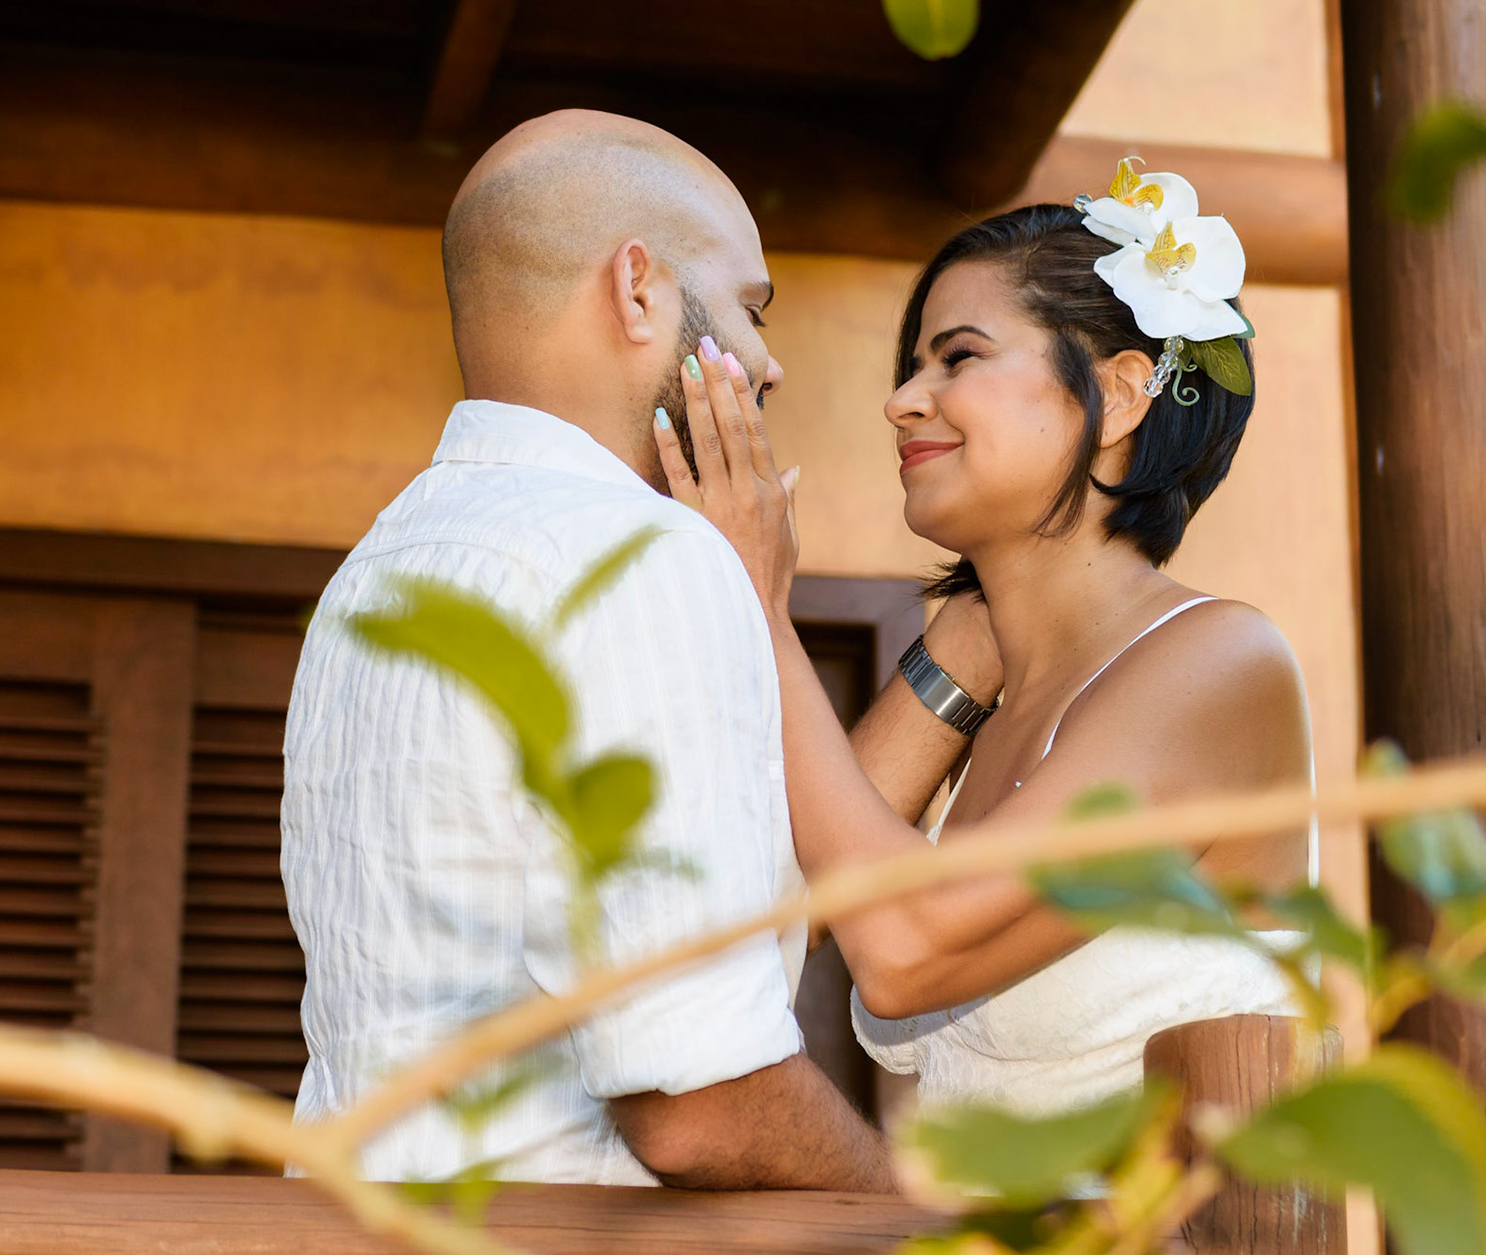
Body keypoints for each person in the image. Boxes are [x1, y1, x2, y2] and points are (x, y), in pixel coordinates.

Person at [282, 109, 1002, 1189]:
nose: (770, 366)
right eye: (753, 309)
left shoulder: (372, 576)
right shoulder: (643, 558)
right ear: (638, 289)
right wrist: (915, 1231)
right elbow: (697, 1103)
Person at [658, 176, 1312, 1116]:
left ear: (1123, 395)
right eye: (911, 366)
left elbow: (905, 948)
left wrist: (762, 607)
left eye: (957, 357)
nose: (903, 402)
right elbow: (769, 918)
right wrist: (960, 658)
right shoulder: (989, 681)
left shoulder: (1218, 662)